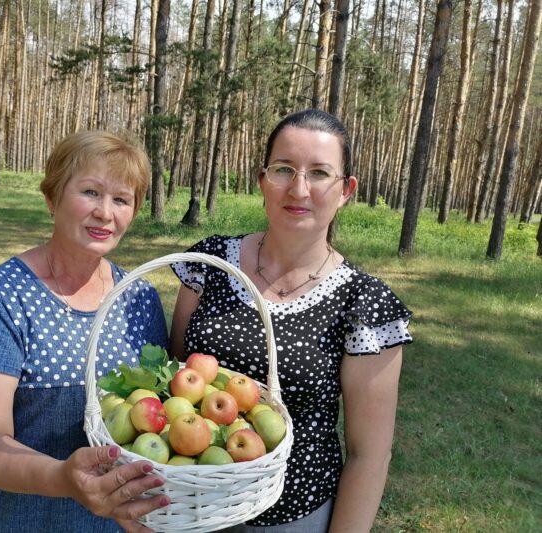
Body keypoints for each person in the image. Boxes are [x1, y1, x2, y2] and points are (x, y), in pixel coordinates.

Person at [170, 109, 413, 533]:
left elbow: (369, 456)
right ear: (262, 180)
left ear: (346, 190)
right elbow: (173, 379)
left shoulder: (364, 304)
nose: (298, 189)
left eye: (319, 173)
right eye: (283, 169)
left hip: (292, 517)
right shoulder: (210, 264)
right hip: (191, 504)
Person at [0, 131, 170, 533]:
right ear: (52, 198)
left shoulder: (138, 297)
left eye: (121, 199)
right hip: (21, 520)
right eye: (90, 192)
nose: (105, 213)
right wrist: (64, 479)